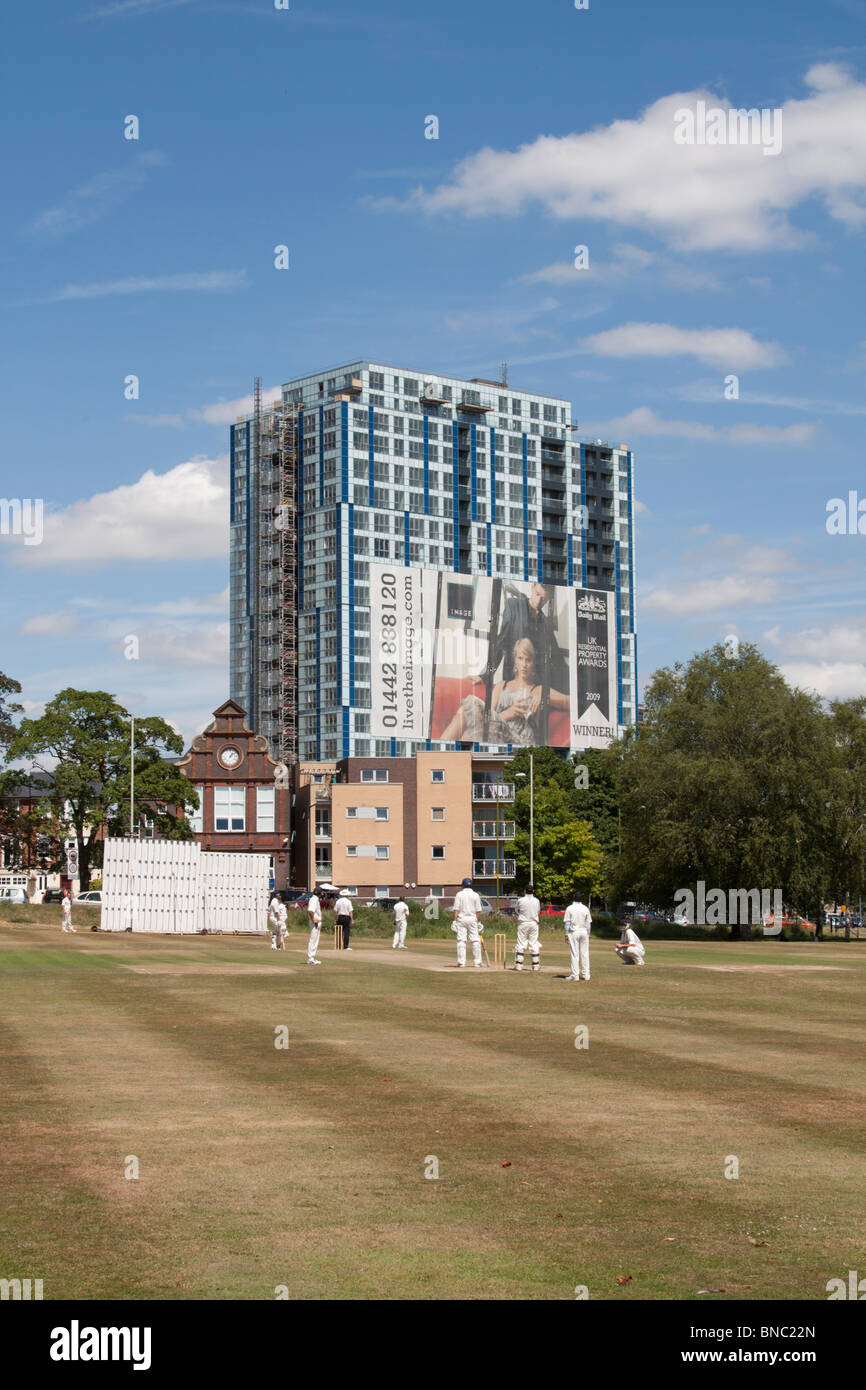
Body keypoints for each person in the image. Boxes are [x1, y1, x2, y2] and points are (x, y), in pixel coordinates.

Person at [440, 638, 569, 746]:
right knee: (468, 710)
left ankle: (438, 756)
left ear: (534, 664)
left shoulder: (540, 689)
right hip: (497, 735)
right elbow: (486, 719)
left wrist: (545, 696)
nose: (524, 664)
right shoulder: (502, 685)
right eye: (520, 658)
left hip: (521, 740)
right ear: (515, 661)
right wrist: (509, 713)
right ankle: (437, 754)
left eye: (528, 660)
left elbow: (571, 703)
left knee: (471, 707)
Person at [490, 581, 569, 691]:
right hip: (514, 680)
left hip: (535, 685)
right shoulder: (513, 606)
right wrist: (485, 675)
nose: (538, 601)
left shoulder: (546, 623)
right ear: (532, 586)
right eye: (537, 594)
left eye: (543, 599)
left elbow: (557, 658)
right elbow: (501, 643)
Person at [452, 876, 484, 968]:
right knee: (475, 940)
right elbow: (478, 911)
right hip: (473, 919)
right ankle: (477, 962)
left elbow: (456, 909)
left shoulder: (459, 894)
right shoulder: (475, 895)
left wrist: (454, 921)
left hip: (461, 919)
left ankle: (461, 962)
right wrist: (479, 922)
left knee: (461, 940)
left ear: (463, 885)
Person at [563, 891, 591, 980]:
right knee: (585, 953)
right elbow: (588, 924)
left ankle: (575, 975)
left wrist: (566, 934)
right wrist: (588, 934)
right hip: (584, 932)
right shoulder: (585, 908)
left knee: (575, 954)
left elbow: (567, 923)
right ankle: (586, 975)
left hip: (574, 932)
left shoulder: (569, 908)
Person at [514, 883, 541, 972]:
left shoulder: (521, 900)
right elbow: (538, 911)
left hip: (523, 923)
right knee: (533, 943)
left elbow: (516, 910)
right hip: (534, 923)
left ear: (525, 891)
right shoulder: (536, 901)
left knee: (521, 943)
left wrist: (521, 915)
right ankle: (536, 965)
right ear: (533, 891)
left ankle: (519, 965)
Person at [306, 889, 323, 964]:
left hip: (316, 922)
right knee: (313, 940)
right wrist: (313, 920)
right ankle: (310, 958)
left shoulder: (315, 899)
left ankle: (312, 958)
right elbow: (310, 911)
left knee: (315, 940)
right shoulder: (314, 900)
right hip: (315, 923)